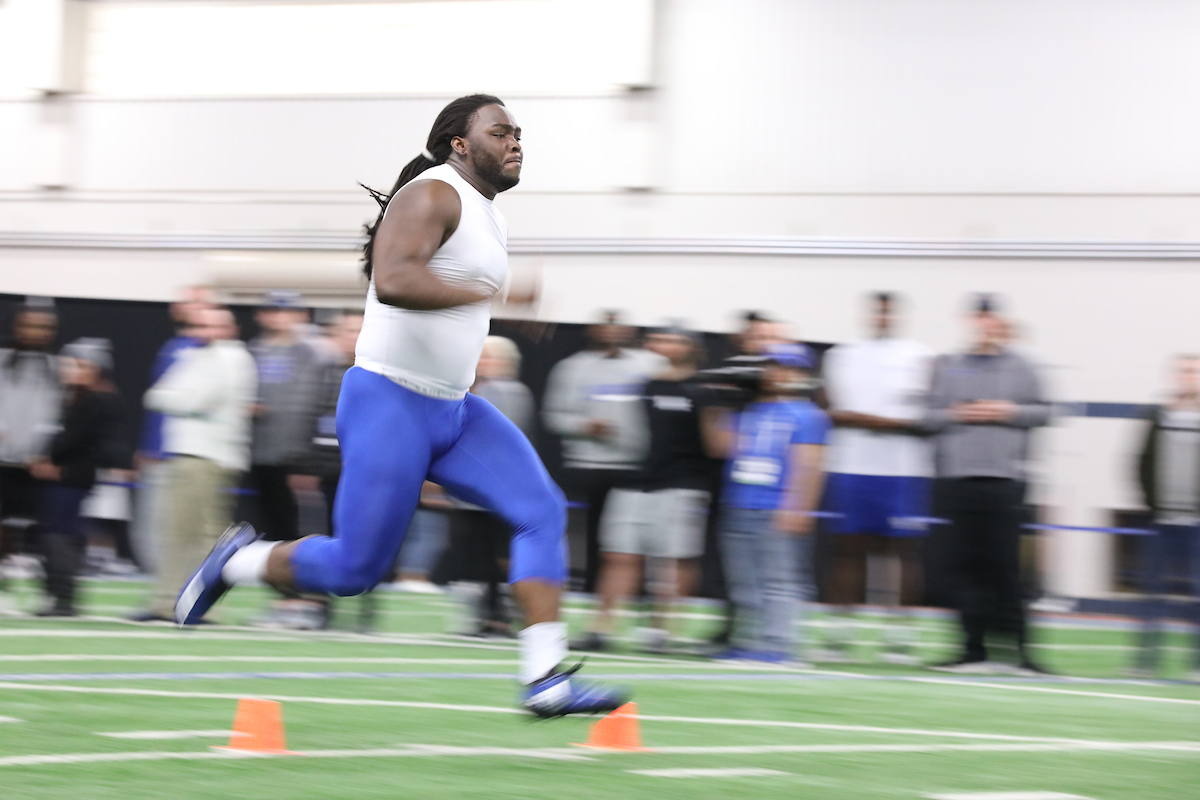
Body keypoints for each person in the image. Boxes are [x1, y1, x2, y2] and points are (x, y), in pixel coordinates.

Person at [176, 94, 626, 717]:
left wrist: (489, 295)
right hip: (389, 399)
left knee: (541, 510)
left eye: (519, 133)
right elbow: (393, 279)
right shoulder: (434, 193)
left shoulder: (489, 213)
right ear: (459, 144)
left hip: (454, 409)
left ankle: (545, 680)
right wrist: (494, 290)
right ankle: (239, 562)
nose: (516, 142)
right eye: (500, 132)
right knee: (353, 571)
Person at [923, 295, 1051, 674]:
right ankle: (971, 650)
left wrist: (1007, 411)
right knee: (966, 569)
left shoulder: (1023, 367)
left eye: (991, 318)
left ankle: (1021, 653)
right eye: (978, 318)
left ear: (1000, 322)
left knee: (1006, 569)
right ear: (968, 321)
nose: (984, 324)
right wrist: (958, 413)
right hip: (959, 480)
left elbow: (1046, 411)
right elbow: (928, 417)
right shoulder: (952, 367)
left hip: (1004, 481)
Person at [576, 326, 715, 653]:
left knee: (675, 559)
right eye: (660, 339)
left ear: (692, 348)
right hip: (632, 479)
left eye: (675, 340)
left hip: (682, 482)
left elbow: (716, 444)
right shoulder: (639, 384)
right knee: (618, 555)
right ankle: (601, 628)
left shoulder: (703, 390)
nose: (665, 346)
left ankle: (660, 632)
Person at [820, 292, 935, 663]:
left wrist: (870, 421)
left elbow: (929, 420)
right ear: (868, 313)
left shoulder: (921, 356)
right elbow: (829, 409)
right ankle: (839, 637)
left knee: (901, 553)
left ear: (898, 314)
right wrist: (863, 420)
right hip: (851, 465)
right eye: (876, 309)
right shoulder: (841, 355)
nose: (882, 315)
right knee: (849, 550)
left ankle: (898, 641)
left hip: (904, 470)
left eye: (888, 310)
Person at [701, 343, 830, 663]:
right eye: (773, 366)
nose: (778, 374)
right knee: (744, 580)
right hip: (739, 502)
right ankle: (750, 639)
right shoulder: (747, 409)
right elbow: (720, 447)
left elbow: (810, 464)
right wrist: (714, 406)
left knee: (779, 579)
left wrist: (799, 507)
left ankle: (779, 643)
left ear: (802, 375)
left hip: (776, 507)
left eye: (787, 367)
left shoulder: (807, 415)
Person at [137, 307, 256, 622]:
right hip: (188, 453)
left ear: (229, 328)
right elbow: (155, 396)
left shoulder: (231, 358)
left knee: (201, 535)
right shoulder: (195, 356)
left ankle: (200, 605)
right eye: (198, 324)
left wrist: (178, 398)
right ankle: (168, 602)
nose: (203, 331)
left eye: (211, 325)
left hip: (208, 456)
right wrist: (180, 398)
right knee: (178, 531)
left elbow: (194, 399)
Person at [542, 311, 666, 591]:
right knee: (598, 534)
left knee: (641, 534)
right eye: (605, 325)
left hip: (638, 464)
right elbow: (552, 415)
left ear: (631, 328)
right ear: (593, 329)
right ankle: (593, 588)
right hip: (589, 464)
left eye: (618, 324)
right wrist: (584, 426)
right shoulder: (571, 367)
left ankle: (637, 591)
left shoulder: (651, 364)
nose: (612, 331)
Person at [29, 339, 126, 616]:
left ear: (92, 368)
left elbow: (80, 444)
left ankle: (64, 598)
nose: (67, 369)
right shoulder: (82, 398)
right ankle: (59, 595)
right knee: (57, 533)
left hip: (72, 478)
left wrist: (54, 464)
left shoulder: (96, 401)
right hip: (68, 476)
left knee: (58, 534)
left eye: (76, 364)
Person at [130, 286, 212, 578]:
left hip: (183, 453)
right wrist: (147, 447)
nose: (185, 307)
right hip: (159, 453)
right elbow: (157, 409)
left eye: (195, 302)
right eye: (183, 302)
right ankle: (161, 585)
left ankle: (174, 585)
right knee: (148, 525)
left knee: (174, 526)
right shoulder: (173, 346)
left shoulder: (211, 352)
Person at [1133, 354, 1200, 678]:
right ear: (1174, 376)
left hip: (1196, 525)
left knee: (1197, 597)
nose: (1189, 377)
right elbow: (1141, 463)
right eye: (1184, 371)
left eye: (1194, 372)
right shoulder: (1157, 416)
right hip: (1161, 523)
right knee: (1153, 595)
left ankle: (1196, 665)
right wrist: (1152, 504)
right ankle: (1146, 662)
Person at [248, 290, 322, 543]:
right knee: (267, 516)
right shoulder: (252, 351)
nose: (280, 317)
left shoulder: (309, 354)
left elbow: (309, 403)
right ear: (261, 315)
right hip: (256, 449)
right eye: (273, 311)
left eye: (287, 311)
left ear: (300, 316)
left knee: (297, 520)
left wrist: (302, 456)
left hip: (294, 454)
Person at [0, 303, 62, 565]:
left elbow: (57, 415)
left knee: (23, 528)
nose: (35, 332)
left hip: (35, 466)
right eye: (29, 325)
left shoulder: (57, 367)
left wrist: (44, 452)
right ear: (17, 327)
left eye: (43, 327)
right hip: (2, 460)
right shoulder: (3, 360)